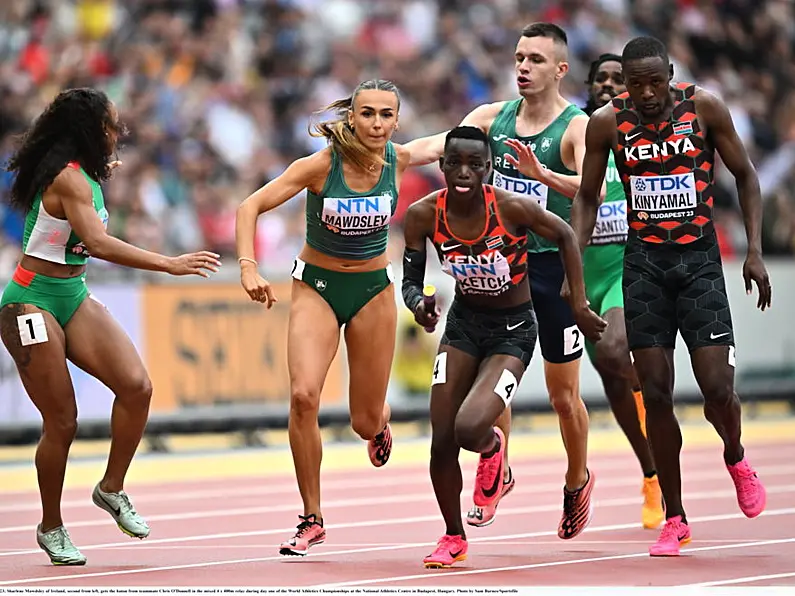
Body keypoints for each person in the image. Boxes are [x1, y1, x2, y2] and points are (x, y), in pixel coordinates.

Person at [0, 88, 221, 566]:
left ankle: (111, 488)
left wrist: (101, 169)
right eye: (110, 125)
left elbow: (83, 215)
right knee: (62, 421)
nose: (117, 133)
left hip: (71, 294)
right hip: (29, 302)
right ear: (88, 131)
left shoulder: (85, 175)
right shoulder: (71, 179)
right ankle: (51, 526)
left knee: (137, 387)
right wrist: (169, 264)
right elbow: (97, 242)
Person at [569, 36, 771, 557]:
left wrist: (753, 251)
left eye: (655, 82)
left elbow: (746, 177)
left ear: (671, 74)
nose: (647, 93)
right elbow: (588, 196)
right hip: (645, 268)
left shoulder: (704, 107)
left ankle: (735, 454)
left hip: (700, 263)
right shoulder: (608, 123)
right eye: (637, 86)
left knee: (717, 389)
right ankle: (675, 516)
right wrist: (575, 269)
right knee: (655, 393)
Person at [405, 22, 598, 538]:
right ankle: (497, 464)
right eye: (518, 57)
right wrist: (382, 153)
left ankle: (577, 479)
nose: (522, 67)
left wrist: (546, 177)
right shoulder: (491, 118)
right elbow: (438, 148)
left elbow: (597, 184)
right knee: (495, 385)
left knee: (563, 394)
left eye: (535, 59)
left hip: (552, 265)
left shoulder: (576, 127)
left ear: (559, 69)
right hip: (499, 267)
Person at [235, 79, 431, 557]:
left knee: (363, 422)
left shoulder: (399, 160)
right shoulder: (321, 166)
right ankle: (311, 518)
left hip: (371, 293)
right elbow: (249, 206)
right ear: (352, 117)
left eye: (386, 115)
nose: (377, 124)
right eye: (367, 114)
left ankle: (379, 423)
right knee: (304, 396)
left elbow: (461, 136)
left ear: (397, 120)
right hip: (317, 288)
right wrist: (247, 266)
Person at [580, 54, 663, 530]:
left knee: (614, 351)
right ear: (589, 86)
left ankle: (653, 394)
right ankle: (651, 472)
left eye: (618, 79)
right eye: (602, 79)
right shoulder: (576, 135)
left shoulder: (640, 138)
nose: (610, 86)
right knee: (612, 380)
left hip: (623, 271)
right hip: (578, 278)